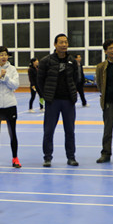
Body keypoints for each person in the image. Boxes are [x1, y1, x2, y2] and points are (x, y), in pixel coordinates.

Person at [38, 33, 80, 167]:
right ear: (55, 44)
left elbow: (76, 78)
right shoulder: (46, 61)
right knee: (48, 131)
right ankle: (47, 157)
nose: (64, 45)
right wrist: (46, 95)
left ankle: (71, 157)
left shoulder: (72, 61)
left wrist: (72, 93)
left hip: (68, 101)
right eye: (61, 42)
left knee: (70, 131)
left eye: (66, 42)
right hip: (53, 101)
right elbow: (40, 80)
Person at [0, 46, 21, 168]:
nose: (4, 57)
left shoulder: (12, 69)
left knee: (12, 133)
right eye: (1, 55)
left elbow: (15, 85)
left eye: (5, 54)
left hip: (10, 105)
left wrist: (5, 78)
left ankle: (15, 158)